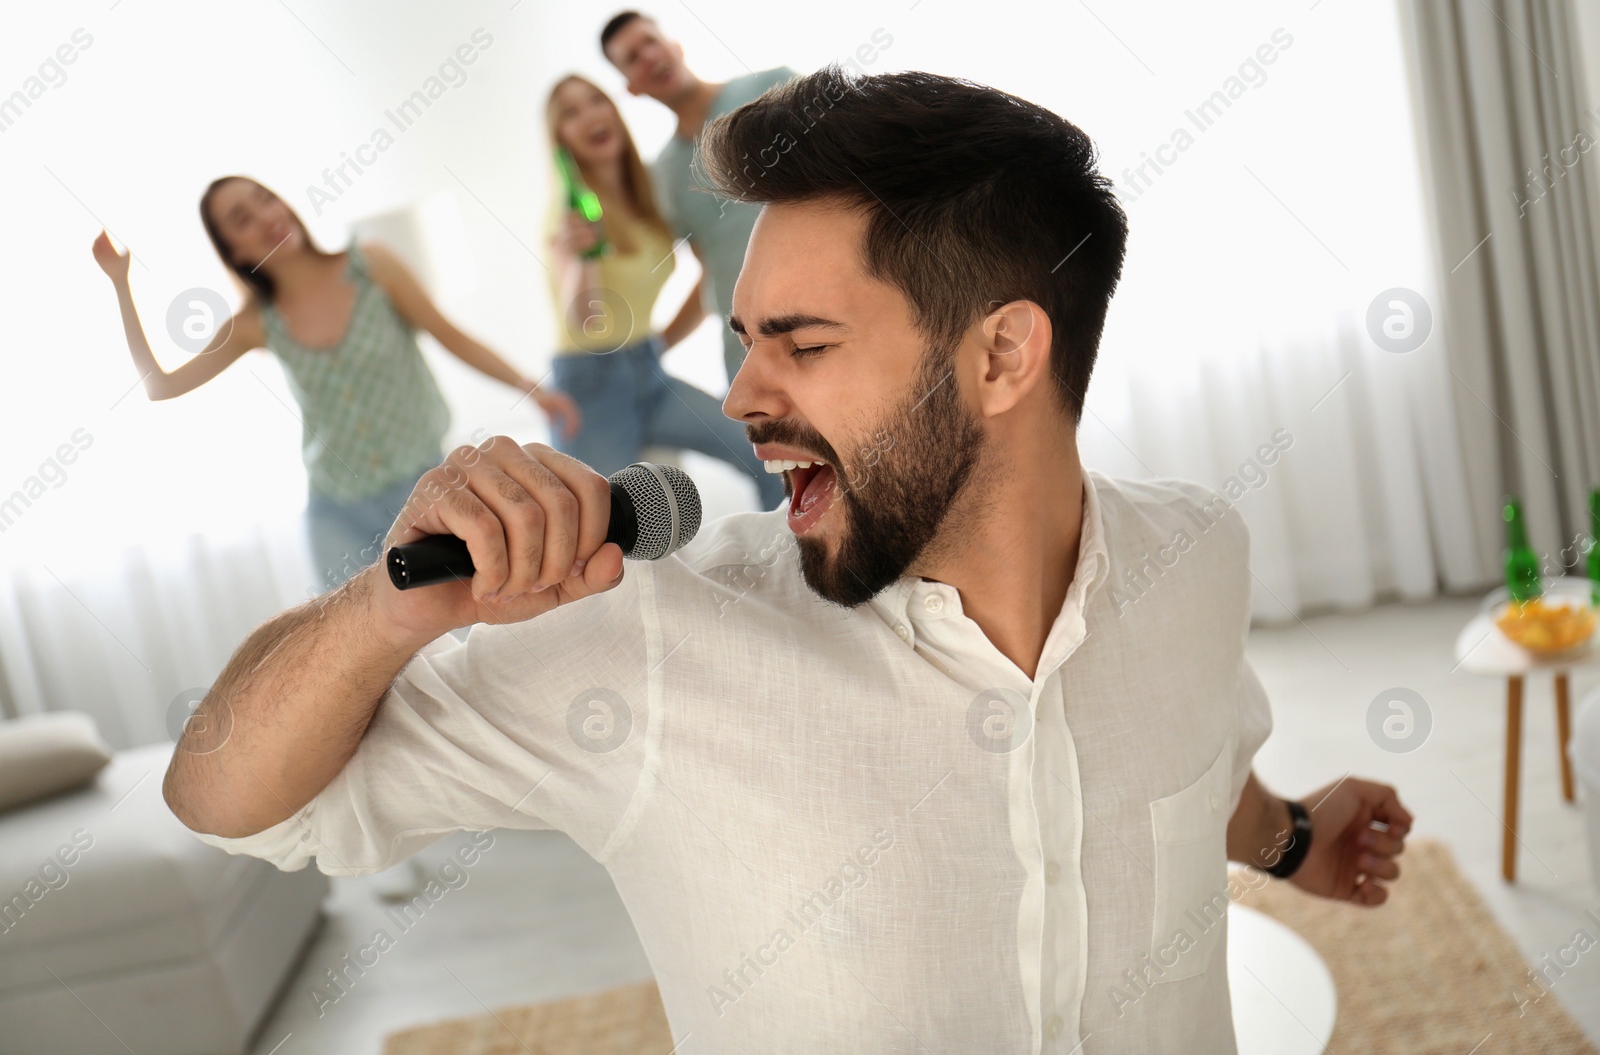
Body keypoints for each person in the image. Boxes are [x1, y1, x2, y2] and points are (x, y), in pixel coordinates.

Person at [162, 68, 1413, 1053]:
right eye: (740, 340)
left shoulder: (1196, 552)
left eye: (800, 345)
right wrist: (385, 608)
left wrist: (1298, 837)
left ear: (1001, 357)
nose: (740, 396)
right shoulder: (649, 640)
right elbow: (227, 800)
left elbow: (1189, 764)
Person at [91, 177, 581, 594]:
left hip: (429, 492)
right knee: (367, 665)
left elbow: (450, 335)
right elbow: (160, 385)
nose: (265, 216)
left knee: (468, 622)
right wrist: (119, 283)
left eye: (265, 199)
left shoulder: (372, 265)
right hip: (336, 514)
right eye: (242, 219)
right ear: (233, 250)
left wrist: (531, 388)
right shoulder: (257, 323)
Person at [543, 75, 784, 511]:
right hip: (590, 386)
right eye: (570, 113)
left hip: (647, 369)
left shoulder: (646, 198)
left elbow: (705, 271)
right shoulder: (570, 214)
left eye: (596, 101)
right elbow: (585, 317)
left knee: (761, 453)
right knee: (596, 526)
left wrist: (662, 343)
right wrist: (582, 261)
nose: (590, 116)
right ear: (560, 137)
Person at [600, 10, 796, 387]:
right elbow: (709, 271)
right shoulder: (664, 177)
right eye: (632, 59)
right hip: (745, 354)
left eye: (650, 43)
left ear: (674, 46)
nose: (649, 58)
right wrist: (656, 348)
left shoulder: (775, 89)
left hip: (820, 329)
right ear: (631, 87)